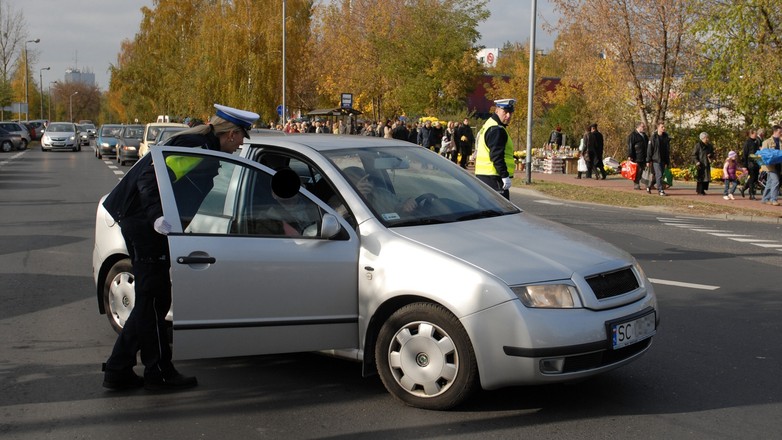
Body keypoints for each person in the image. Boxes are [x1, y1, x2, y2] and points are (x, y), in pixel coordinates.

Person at [101, 103, 259, 391]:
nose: (239, 147)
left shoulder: (203, 144)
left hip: (145, 221)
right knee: (155, 298)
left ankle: (119, 368)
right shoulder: (194, 146)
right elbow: (151, 177)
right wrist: (156, 217)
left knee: (152, 298)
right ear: (233, 134)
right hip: (143, 222)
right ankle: (158, 372)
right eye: (241, 139)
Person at [475, 98, 516, 199]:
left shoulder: (489, 124)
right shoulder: (497, 129)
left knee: (486, 209)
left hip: (485, 176)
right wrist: (504, 176)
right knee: (501, 211)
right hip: (494, 177)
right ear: (497, 110)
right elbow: (496, 155)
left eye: (511, 113)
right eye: (505, 112)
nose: (508, 116)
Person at [760, 124, 781, 206]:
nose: (781, 133)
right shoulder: (766, 142)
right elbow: (764, 154)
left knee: (769, 183)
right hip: (770, 166)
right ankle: (773, 199)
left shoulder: (780, 142)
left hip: (778, 165)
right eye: (780, 132)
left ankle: (764, 199)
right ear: (775, 131)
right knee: (776, 181)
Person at [647, 122, 670, 196]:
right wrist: (648, 160)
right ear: (658, 128)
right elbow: (650, 149)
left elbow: (667, 150)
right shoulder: (653, 137)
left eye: (664, 127)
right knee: (659, 175)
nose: (663, 128)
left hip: (663, 159)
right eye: (662, 127)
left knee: (659, 175)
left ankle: (649, 186)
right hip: (656, 159)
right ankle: (660, 190)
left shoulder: (666, 137)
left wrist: (667, 160)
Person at [740, 129, 761, 200]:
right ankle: (751, 194)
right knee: (752, 178)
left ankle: (743, 188)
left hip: (757, 162)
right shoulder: (747, 142)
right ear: (751, 134)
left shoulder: (757, 141)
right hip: (750, 163)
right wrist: (744, 166)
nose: (756, 134)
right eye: (755, 133)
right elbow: (745, 154)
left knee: (755, 178)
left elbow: (758, 152)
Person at [627, 122, 649, 189]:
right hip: (636, 156)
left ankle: (642, 181)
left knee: (642, 170)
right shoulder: (633, 135)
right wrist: (630, 155)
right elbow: (630, 146)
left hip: (644, 156)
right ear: (638, 127)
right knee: (638, 170)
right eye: (642, 127)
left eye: (644, 127)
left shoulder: (644, 135)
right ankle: (636, 184)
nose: (644, 128)